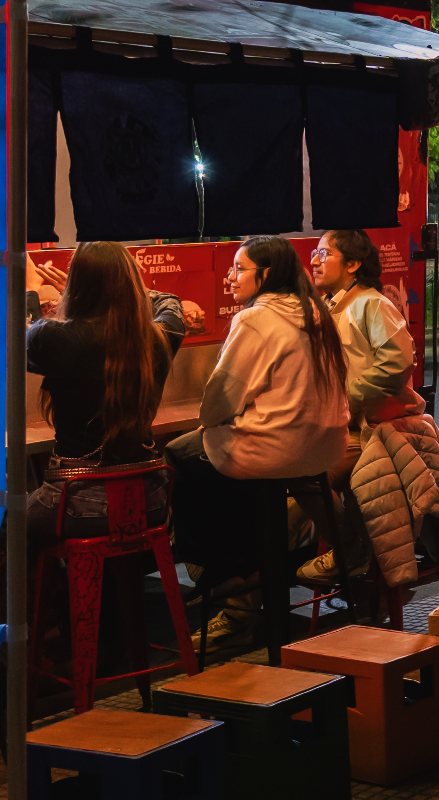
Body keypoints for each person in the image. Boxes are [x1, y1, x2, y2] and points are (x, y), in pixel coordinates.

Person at [167, 235, 349, 648]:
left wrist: (211, 420)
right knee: (230, 469)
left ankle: (224, 579)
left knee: (181, 454)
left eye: (239, 269)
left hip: (273, 449)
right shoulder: (316, 312)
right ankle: (321, 555)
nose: (230, 277)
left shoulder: (256, 318)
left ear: (265, 275)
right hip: (323, 446)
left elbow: (221, 397)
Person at [24, 241, 185, 537]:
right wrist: (130, 288)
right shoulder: (160, 338)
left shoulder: (55, 339)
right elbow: (171, 303)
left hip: (74, 503)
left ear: (77, 287)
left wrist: (31, 290)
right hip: (150, 503)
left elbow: (22, 335)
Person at [298, 228, 425, 581]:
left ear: (353, 264)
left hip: (374, 428)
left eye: (325, 254)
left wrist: (346, 400)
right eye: (315, 253)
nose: (315, 261)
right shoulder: (330, 306)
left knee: (304, 472)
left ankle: (352, 550)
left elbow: (396, 364)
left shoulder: (372, 303)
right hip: (340, 425)